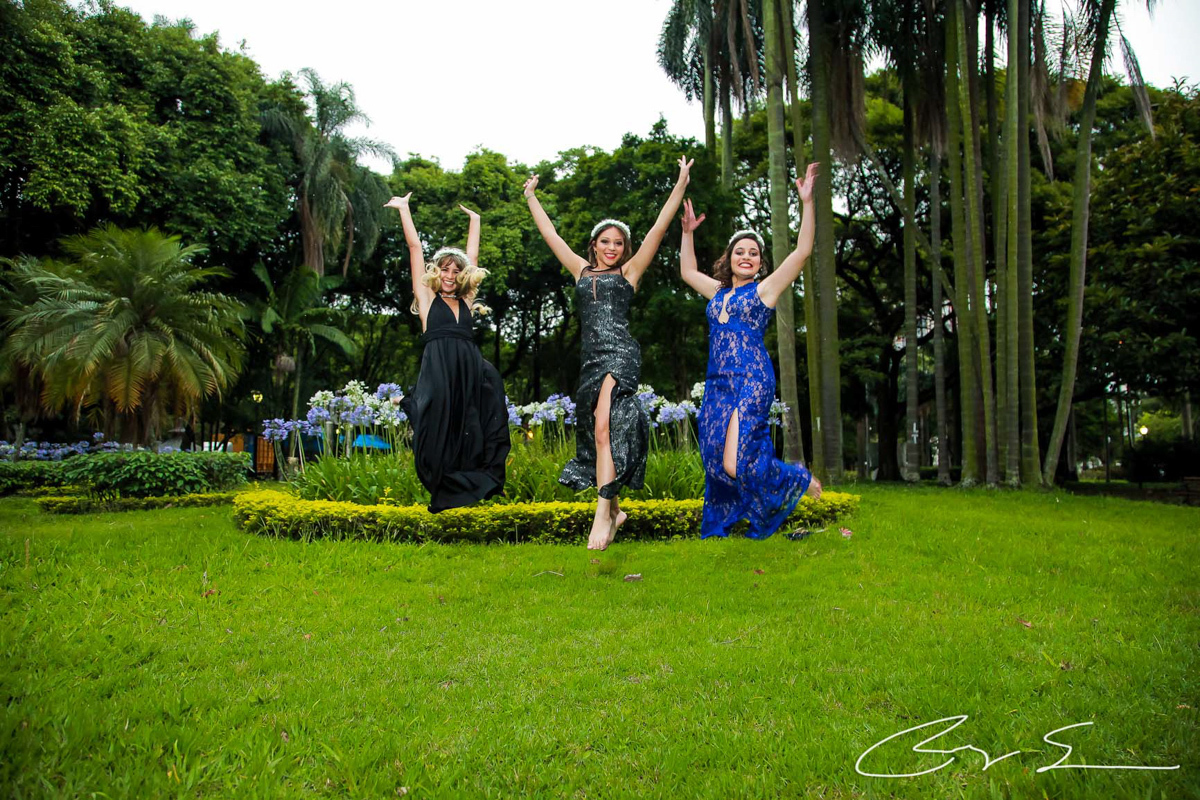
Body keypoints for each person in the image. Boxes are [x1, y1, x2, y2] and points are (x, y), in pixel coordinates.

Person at [524, 157, 693, 550]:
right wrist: (531, 197)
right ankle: (616, 508)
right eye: (606, 242)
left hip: (621, 354)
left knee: (604, 424)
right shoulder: (581, 271)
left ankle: (602, 512)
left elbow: (659, 226)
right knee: (601, 434)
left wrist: (680, 182)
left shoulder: (629, 274)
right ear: (594, 245)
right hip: (590, 361)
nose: (613, 248)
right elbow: (551, 235)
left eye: (619, 243)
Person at [679, 163, 824, 539]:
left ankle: (796, 478)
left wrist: (807, 202)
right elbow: (687, 271)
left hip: (753, 379)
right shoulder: (717, 292)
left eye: (754, 253)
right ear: (728, 259)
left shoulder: (764, 291)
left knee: (734, 460)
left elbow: (803, 251)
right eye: (739, 252)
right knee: (719, 462)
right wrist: (687, 233)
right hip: (717, 384)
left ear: (760, 263)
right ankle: (775, 485)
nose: (747, 257)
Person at [384, 194, 510, 512]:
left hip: (468, 369)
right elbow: (415, 249)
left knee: (474, 427)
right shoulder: (427, 298)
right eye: (444, 270)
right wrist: (404, 210)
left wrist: (476, 221)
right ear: (436, 272)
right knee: (434, 423)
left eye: (456, 271)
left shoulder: (466, 300)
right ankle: (415, 408)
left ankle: (471, 486)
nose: (450, 275)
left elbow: (473, 254)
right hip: (439, 367)